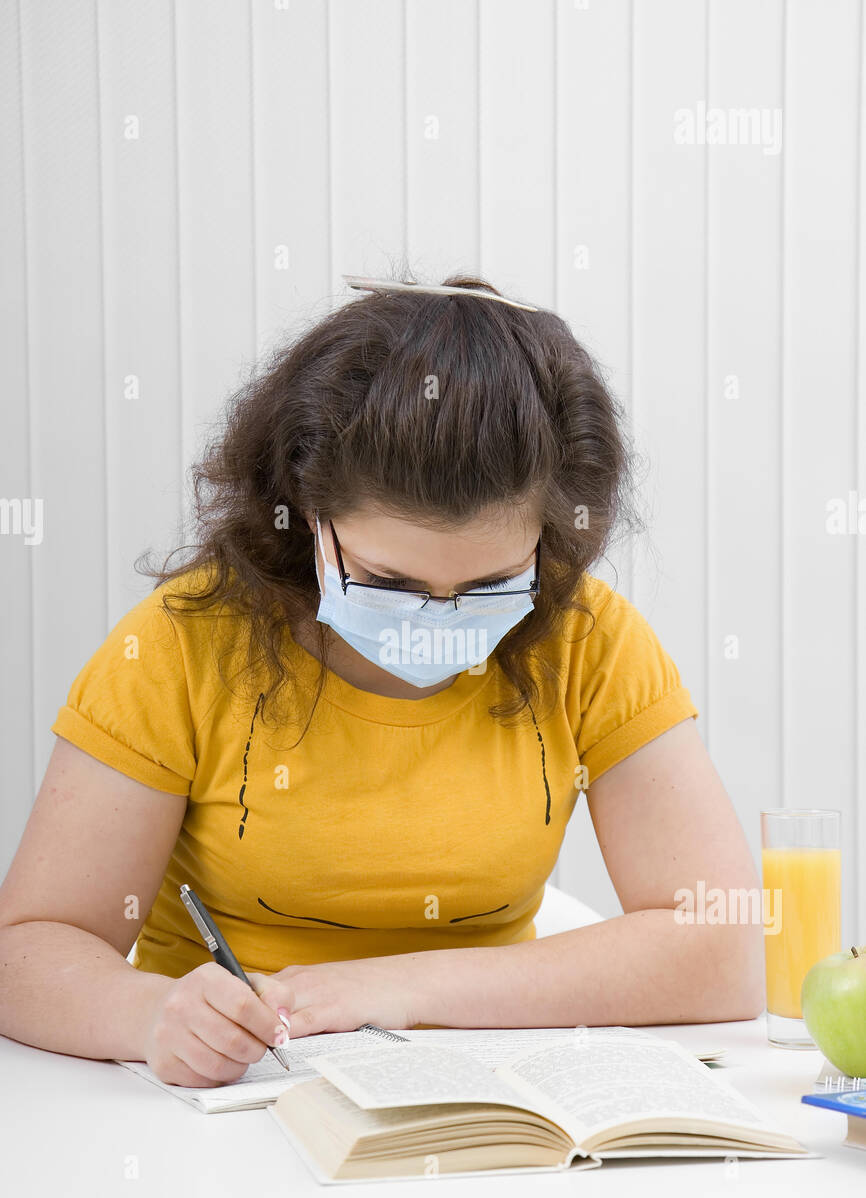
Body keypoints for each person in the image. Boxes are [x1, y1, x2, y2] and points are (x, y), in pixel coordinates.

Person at [0, 274, 764, 1088]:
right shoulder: (183, 643)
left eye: (490, 585)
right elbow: (29, 948)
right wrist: (151, 1017)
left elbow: (721, 943)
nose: (429, 621)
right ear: (307, 511)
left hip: (483, 1093)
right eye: (389, 582)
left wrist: (393, 986)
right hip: (239, 1102)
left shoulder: (587, 638)